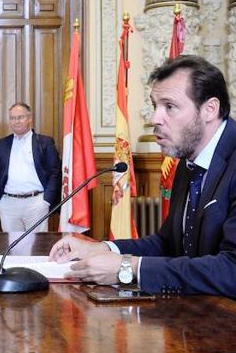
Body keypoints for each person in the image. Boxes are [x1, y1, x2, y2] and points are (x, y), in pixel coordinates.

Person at [50, 55, 236, 297]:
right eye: (154, 106)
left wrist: (129, 268)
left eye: (170, 106)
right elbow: (168, 244)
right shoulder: (188, 162)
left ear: (210, 109)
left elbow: (232, 271)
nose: (154, 119)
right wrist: (102, 248)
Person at [0, 102, 61, 232]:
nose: (16, 121)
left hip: (37, 204)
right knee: (11, 247)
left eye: (20, 117)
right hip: (8, 204)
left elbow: (54, 172)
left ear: (30, 118)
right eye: (13, 118)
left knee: (37, 247)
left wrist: (46, 201)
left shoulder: (44, 142)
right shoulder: (2, 144)